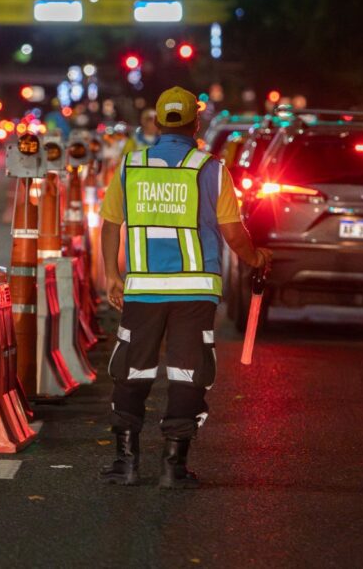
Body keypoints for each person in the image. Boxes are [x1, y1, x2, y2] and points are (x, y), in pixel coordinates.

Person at [97, 86, 271, 488]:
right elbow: (233, 231)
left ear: (157, 124)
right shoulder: (210, 169)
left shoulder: (132, 165)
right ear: (197, 124)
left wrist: (111, 273)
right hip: (195, 292)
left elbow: (110, 223)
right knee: (188, 373)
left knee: (132, 370)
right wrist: (256, 258)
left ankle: (125, 463)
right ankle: (173, 468)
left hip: (142, 291)